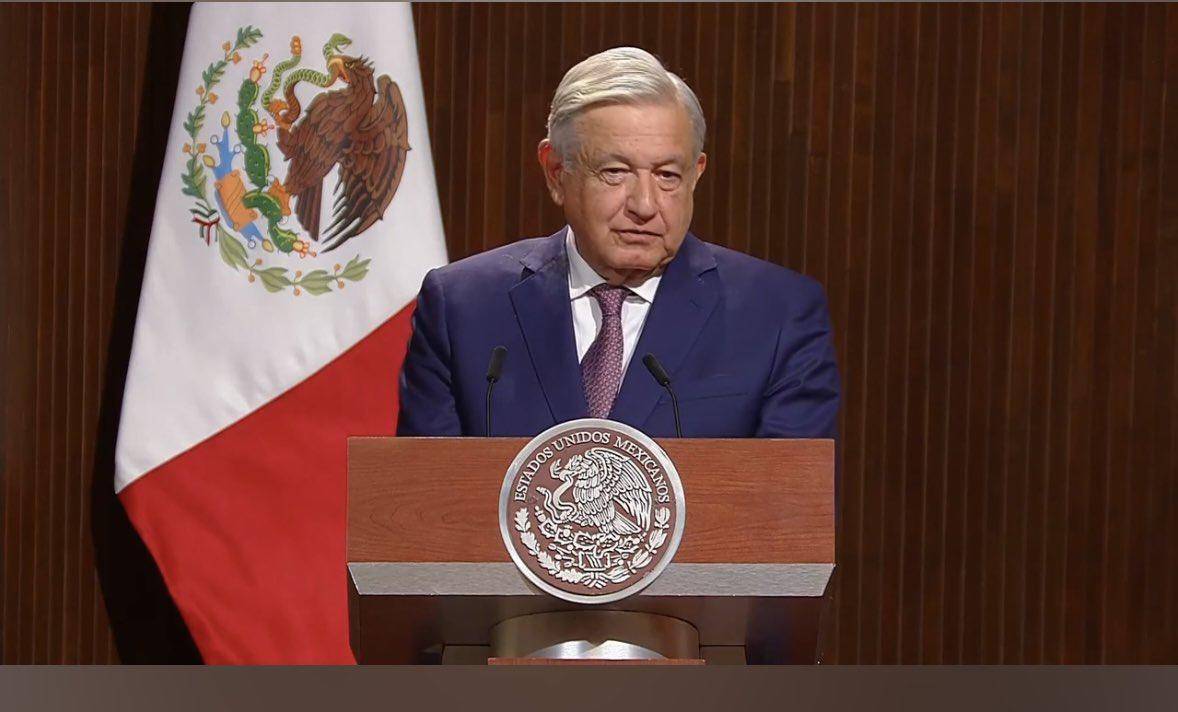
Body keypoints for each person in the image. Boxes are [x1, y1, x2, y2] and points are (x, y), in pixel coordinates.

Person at [397, 47, 839, 440]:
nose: (645, 205)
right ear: (556, 172)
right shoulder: (463, 308)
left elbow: (792, 500)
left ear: (696, 174)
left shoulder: (777, 315)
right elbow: (423, 494)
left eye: (667, 175)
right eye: (615, 172)